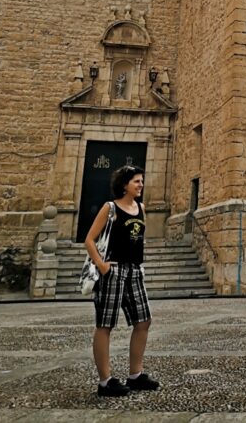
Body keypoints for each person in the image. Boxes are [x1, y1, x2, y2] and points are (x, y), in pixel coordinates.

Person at [84, 164, 159, 397]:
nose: (141, 185)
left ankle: (135, 375)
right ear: (124, 184)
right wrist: (103, 266)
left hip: (135, 271)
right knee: (105, 324)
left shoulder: (142, 208)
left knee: (143, 320)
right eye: (137, 181)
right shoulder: (110, 208)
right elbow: (89, 239)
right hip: (113, 270)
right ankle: (105, 381)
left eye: (142, 181)